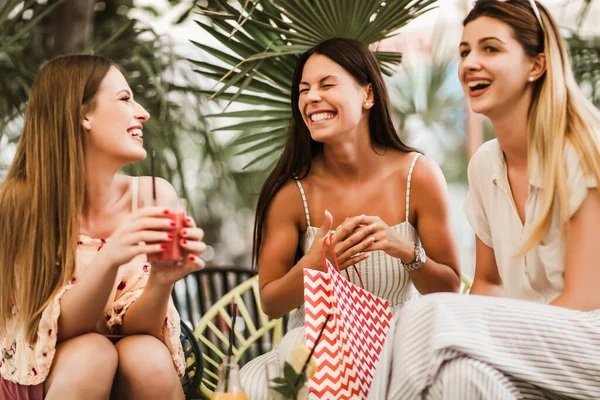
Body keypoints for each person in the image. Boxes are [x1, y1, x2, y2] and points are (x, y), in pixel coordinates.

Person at [367, 1, 600, 399]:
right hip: (527, 344)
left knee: (429, 315)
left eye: (490, 49)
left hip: (586, 339)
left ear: (536, 65)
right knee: (459, 377)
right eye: (464, 51)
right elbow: (489, 283)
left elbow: (583, 298)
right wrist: (475, 342)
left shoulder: (582, 149)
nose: (470, 63)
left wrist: (478, 329)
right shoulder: (485, 166)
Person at [239, 37, 462, 399]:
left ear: (368, 95)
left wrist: (405, 251)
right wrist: (315, 264)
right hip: (315, 354)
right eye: (304, 89)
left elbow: (450, 287)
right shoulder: (291, 192)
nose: (311, 97)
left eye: (327, 84)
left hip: (401, 347)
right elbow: (271, 303)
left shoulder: (417, 175)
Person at [0, 55, 207, 400]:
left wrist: (161, 280)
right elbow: (53, 330)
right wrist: (109, 257)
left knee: (148, 356)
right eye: (125, 99)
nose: (142, 112)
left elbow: (138, 329)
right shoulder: (18, 204)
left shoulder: (155, 196)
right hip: (38, 370)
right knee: (92, 355)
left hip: (125, 364)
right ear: (83, 115)